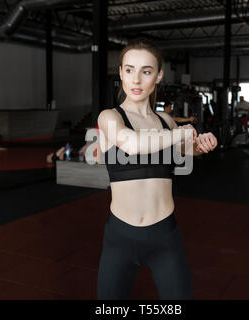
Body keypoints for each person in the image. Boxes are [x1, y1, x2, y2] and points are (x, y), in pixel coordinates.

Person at [97, 38, 217, 300]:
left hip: (164, 236)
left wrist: (201, 145)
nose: (136, 80)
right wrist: (179, 135)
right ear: (120, 73)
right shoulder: (110, 117)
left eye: (146, 71)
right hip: (120, 237)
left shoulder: (165, 121)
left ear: (159, 75)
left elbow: (185, 149)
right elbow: (131, 144)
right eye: (129, 70)